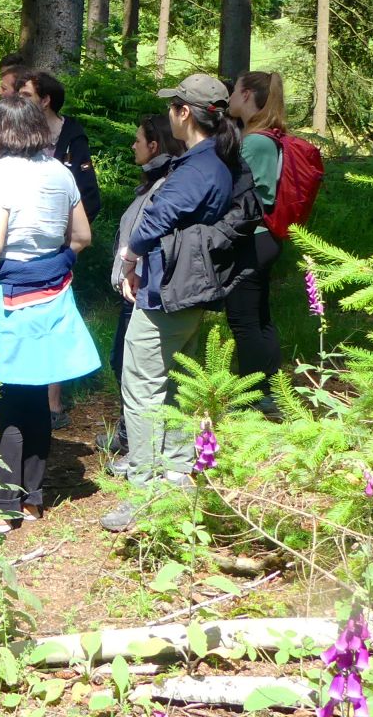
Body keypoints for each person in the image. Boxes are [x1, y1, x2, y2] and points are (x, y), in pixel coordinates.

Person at [0, 96, 97, 532]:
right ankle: (31, 500)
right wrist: (54, 265)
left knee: (5, 397)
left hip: (8, 299)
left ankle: (0, 506)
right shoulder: (60, 172)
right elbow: (82, 237)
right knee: (33, 395)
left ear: (2, 131)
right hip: (51, 295)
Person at [105, 75, 239, 533]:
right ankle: (180, 473)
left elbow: (159, 216)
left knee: (141, 382)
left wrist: (129, 256)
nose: (168, 115)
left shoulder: (199, 167)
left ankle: (144, 490)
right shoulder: (214, 161)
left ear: (185, 113)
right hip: (189, 288)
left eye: (172, 107)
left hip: (172, 290)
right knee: (177, 377)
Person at [17, 70, 101, 429]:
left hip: (62, 247)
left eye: (26, 94)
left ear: (45, 99)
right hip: (23, 245)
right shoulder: (19, 134)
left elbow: (88, 194)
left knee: (53, 319)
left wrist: (70, 239)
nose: (20, 100)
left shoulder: (72, 136)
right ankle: (20, 393)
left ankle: (53, 403)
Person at [101, 115, 184, 460]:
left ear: (154, 146)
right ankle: (136, 439)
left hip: (145, 290)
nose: (133, 145)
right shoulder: (153, 182)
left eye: (138, 140)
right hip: (135, 288)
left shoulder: (165, 185)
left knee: (136, 370)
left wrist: (131, 271)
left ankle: (141, 449)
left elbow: (151, 235)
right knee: (123, 363)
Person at [226, 72, 287, 407]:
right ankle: (268, 392)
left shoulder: (256, 141)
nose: (231, 97)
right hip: (264, 237)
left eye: (234, 91)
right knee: (260, 317)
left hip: (254, 237)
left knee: (244, 318)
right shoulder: (261, 137)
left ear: (246, 94)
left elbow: (246, 193)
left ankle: (252, 396)